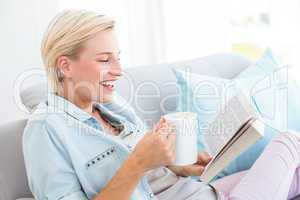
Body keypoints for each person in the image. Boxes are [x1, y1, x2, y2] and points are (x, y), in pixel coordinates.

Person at [23, 10, 300, 200]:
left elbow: (153, 176)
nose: (119, 70)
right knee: (290, 142)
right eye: (105, 59)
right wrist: (138, 162)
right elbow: (137, 170)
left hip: (205, 191)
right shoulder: (46, 130)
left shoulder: (110, 106)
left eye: (118, 57)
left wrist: (179, 164)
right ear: (65, 65)